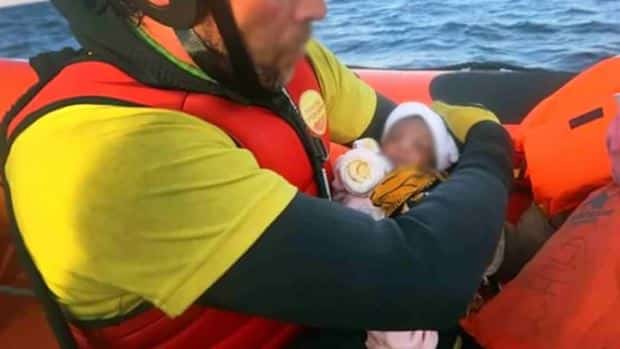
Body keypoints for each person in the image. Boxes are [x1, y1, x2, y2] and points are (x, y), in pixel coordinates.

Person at [1, 0, 513, 348]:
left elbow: (400, 129)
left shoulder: (278, 58)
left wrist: (440, 133)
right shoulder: (99, 151)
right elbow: (421, 277)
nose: (315, 10)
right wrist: (489, 142)